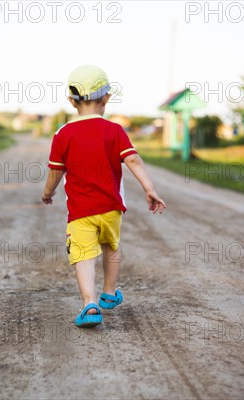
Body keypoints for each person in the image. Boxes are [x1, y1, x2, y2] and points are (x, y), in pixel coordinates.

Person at [42, 65, 166, 328]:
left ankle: (90, 304)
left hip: (80, 213)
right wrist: (149, 187)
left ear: (71, 100)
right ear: (106, 98)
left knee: (84, 257)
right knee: (111, 246)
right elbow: (132, 159)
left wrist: (48, 192)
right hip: (111, 208)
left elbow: (55, 171)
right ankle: (109, 293)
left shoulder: (63, 134)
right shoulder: (115, 131)